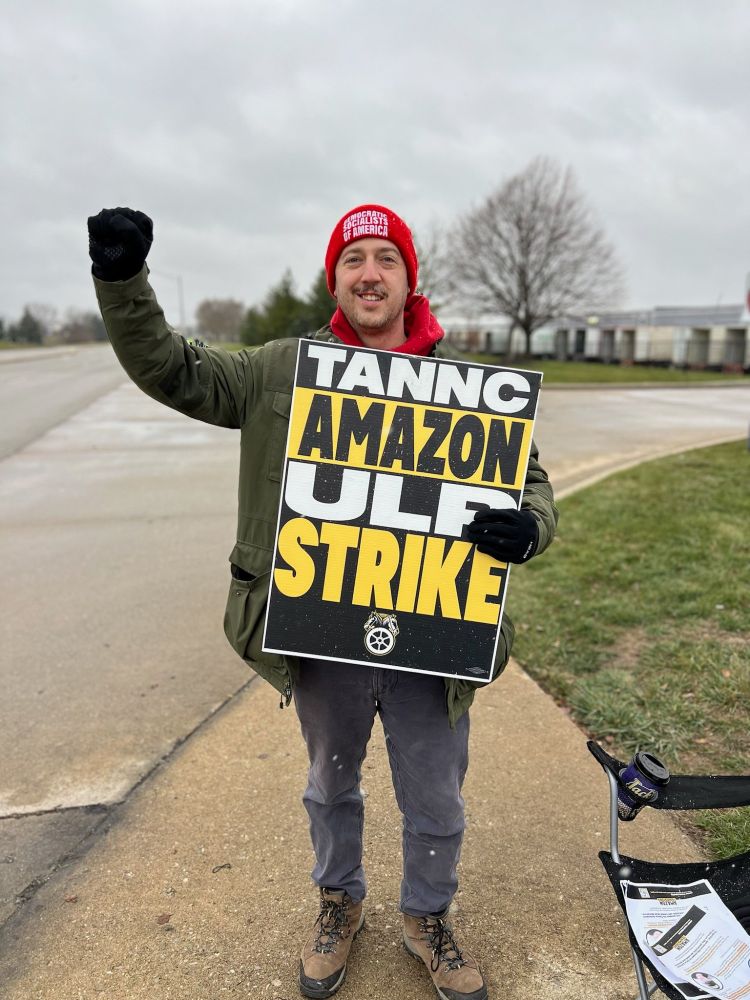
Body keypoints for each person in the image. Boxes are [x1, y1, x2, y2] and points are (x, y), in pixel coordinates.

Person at [88, 203, 558, 1000]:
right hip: (320, 628)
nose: (368, 274)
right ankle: (340, 903)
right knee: (329, 783)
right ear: (334, 276)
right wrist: (121, 279)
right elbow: (176, 369)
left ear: (410, 279)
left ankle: (427, 917)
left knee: (436, 793)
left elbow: (534, 485)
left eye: (385, 258)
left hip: (433, 635)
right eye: (353, 260)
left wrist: (530, 526)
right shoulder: (281, 368)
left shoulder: (467, 389)